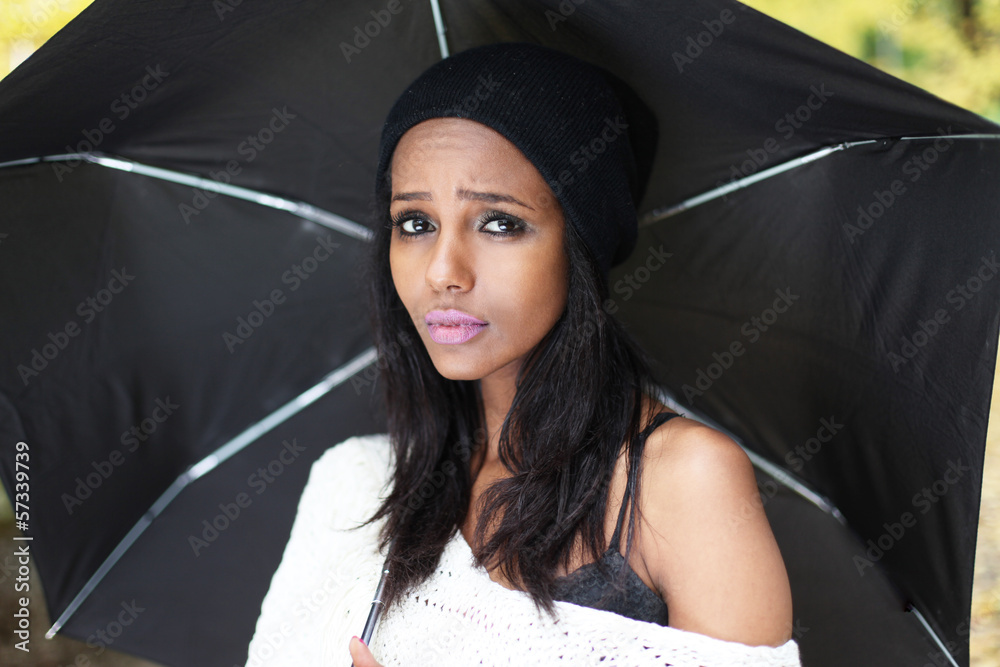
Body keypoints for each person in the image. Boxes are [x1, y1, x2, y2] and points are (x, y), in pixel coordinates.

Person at [247, 42, 799, 667]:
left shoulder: (682, 480)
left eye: (500, 223)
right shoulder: (356, 483)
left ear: (580, 245)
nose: (443, 272)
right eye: (416, 223)